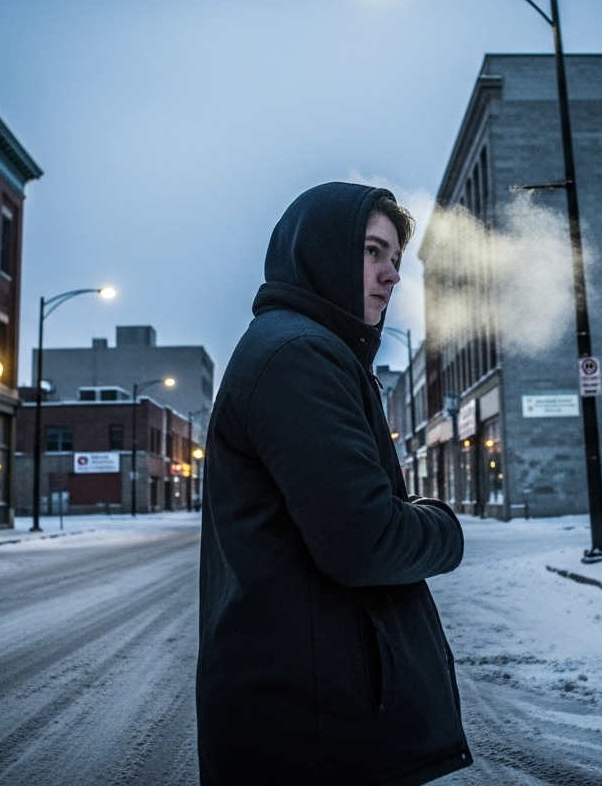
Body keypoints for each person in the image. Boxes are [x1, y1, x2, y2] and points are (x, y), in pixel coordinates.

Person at [197, 182, 472, 785]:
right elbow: (364, 540)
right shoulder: (299, 356)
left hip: (311, 717)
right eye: (373, 251)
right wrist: (444, 528)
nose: (391, 274)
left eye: (395, 259)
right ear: (320, 251)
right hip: (312, 731)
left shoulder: (306, 350)